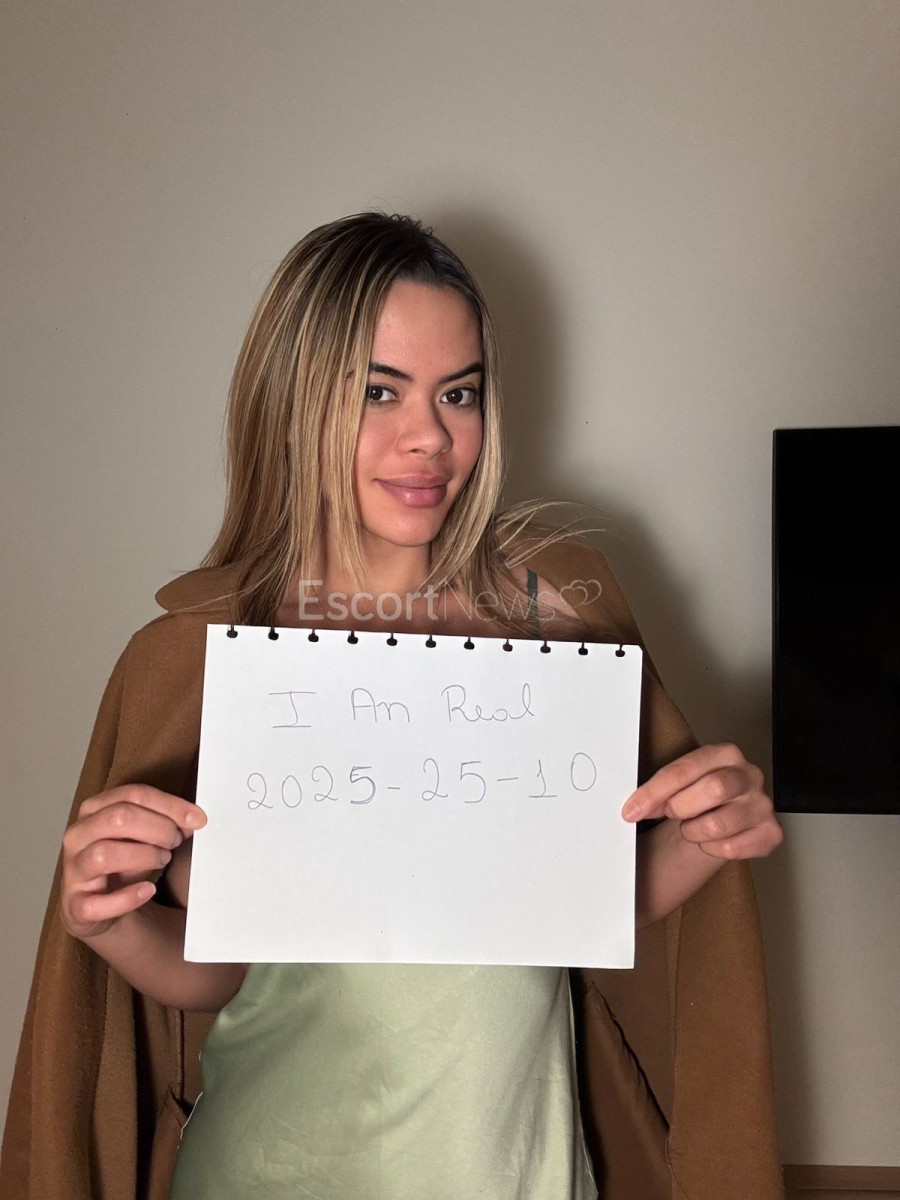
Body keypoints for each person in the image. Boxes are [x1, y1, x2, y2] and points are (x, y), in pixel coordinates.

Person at [1, 213, 785, 1200]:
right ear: (294, 403)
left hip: (516, 1173)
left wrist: (708, 836)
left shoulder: (555, 615)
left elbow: (579, 907)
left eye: (459, 392)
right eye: (379, 390)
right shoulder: (201, 657)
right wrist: (108, 920)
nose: (430, 436)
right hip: (267, 1171)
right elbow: (224, 974)